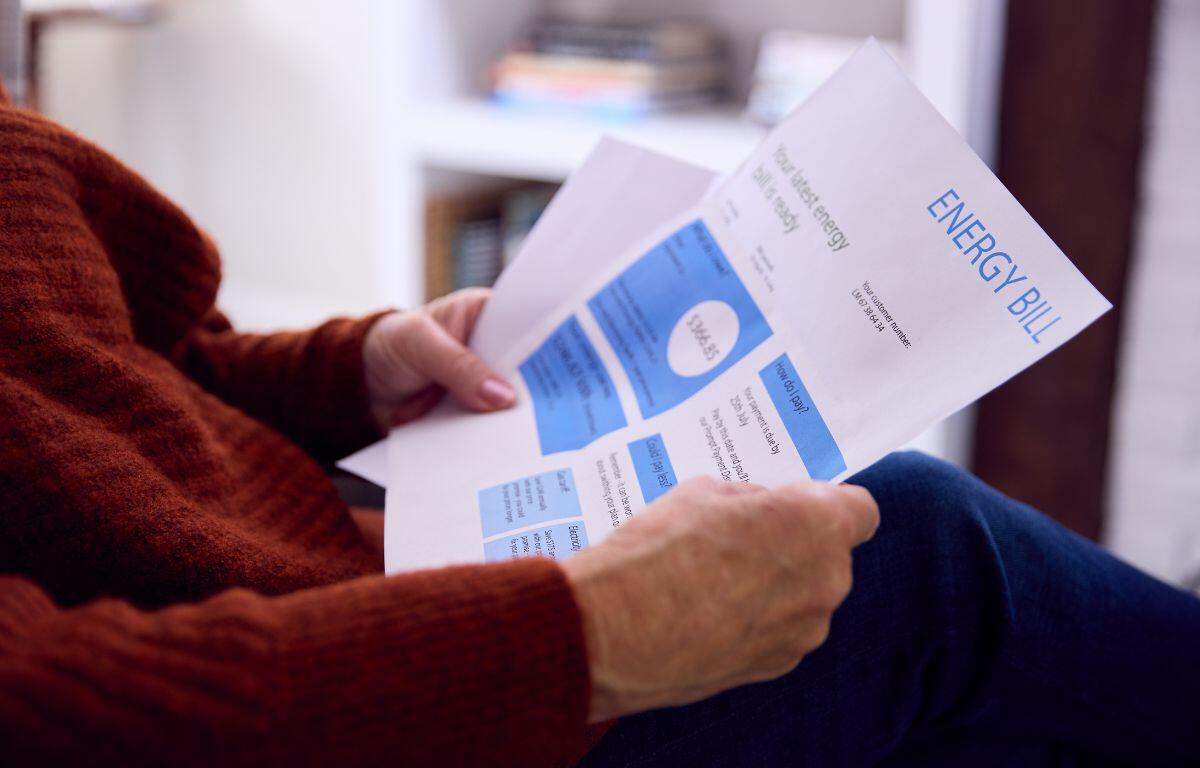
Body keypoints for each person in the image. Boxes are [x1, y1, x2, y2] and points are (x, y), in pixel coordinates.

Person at [0, 91, 1197, 768]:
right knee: (911, 555)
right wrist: (581, 637)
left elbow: (128, 370)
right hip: (358, 700)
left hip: (367, 577)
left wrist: (340, 374)